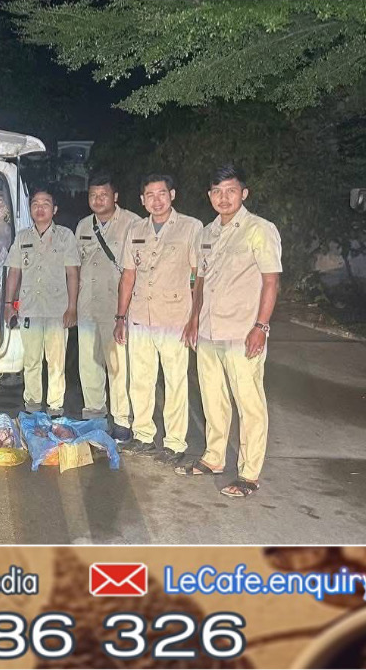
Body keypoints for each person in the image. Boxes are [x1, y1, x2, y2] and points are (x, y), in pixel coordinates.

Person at [175, 164, 282, 498]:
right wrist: (194, 318)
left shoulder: (259, 229)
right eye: (217, 192)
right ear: (209, 196)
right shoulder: (206, 233)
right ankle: (214, 457)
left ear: (244, 193)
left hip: (242, 331)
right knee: (213, 399)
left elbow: (271, 281)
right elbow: (200, 280)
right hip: (209, 330)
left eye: (231, 191)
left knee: (249, 404)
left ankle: (249, 474)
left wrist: (260, 326)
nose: (224, 198)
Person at [114, 174, 201, 462]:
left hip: (175, 318)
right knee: (140, 380)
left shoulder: (191, 227)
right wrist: (120, 316)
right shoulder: (136, 229)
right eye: (150, 195)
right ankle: (143, 436)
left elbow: (197, 276)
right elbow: (128, 276)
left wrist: (195, 317)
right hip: (140, 316)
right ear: (142, 200)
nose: (156, 200)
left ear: (172, 195)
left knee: (175, 382)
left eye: (162, 193)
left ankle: (175, 443)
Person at [74, 173, 143, 438]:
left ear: (115, 196)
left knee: (119, 366)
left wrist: (125, 313)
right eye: (93, 195)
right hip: (87, 305)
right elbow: (76, 266)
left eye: (104, 194)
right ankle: (94, 416)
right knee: (89, 364)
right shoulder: (83, 226)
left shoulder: (133, 224)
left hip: (117, 309)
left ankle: (122, 420)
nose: (98, 199)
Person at [3, 188, 80, 416]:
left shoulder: (65, 236)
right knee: (31, 362)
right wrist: (8, 305)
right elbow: (14, 272)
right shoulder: (23, 237)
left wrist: (72, 308)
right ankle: (32, 407)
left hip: (57, 310)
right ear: (30, 209)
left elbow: (73, 274)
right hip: (30, 309)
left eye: (45, 204)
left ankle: (55, 408)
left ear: (54, 210)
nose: (40, 208)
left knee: (56, 363)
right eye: (35, 203)